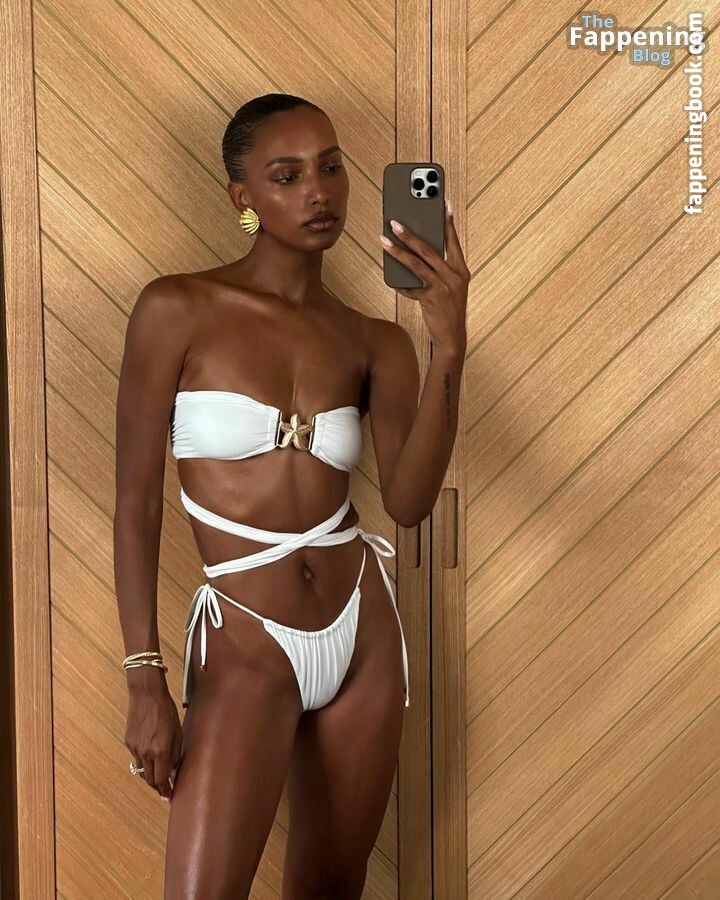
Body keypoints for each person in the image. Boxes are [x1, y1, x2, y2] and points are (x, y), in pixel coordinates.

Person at [113, 92, 468, 898]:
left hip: (362, 633)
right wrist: (144, 676)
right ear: (243, 196)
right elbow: (135, 502)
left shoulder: (374, 340)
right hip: (246, 637)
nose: (319, 192)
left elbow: (409, 502)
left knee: (330, 890)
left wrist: (448, 347)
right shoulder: (177, 309)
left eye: (331, 168)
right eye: (287, 175)